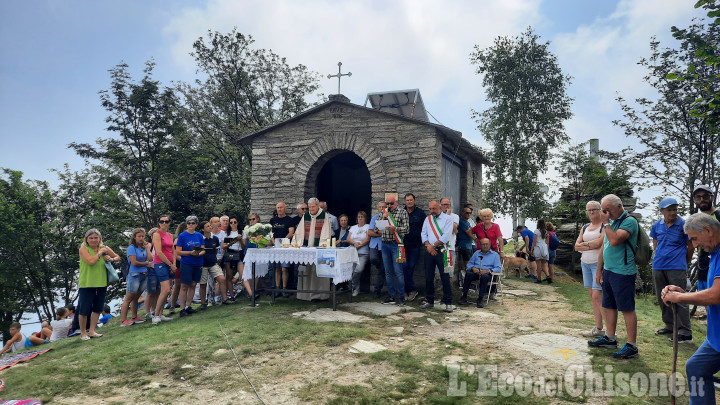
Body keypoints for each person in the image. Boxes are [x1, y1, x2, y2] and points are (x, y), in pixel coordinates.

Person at [662, 213, 720, 404]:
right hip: (716, 337)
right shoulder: (714, 254)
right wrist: (682, 292)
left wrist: (679, 297)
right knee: (696, 368)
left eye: (695, 238)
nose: (694, 245)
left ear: (708, 230)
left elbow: (715, 295)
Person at [588, 194, 640, 359]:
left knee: (626, 307)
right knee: (608, 305)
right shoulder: (611, 223)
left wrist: (605, 223)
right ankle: (610, 337)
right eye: (604, 210)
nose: (605, 213)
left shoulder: (629, 222)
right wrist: (599, 270)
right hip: (609, 271)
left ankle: (632, 345)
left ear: (619, 207)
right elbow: (605, 246)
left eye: (608, 210)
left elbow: (616, 240)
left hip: (623, 272)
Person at [650, 197, 694, 342]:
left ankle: (685, 332)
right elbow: (656, 245)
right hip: (658, 266)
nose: (673, 212)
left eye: (675, 209)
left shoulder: (684, 225)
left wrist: (684, 262)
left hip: (676, 266)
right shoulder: (657, 226)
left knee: (680, 299)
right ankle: (670, 326)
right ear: (662, 211)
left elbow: (691, 246)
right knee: (663, 298)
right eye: (669, 210)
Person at [77, 228, 119, 341]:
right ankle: (83, 333)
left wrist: (111, 259)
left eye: (96, 238)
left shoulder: (104, 248)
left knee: (97, 308)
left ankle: (92, 331)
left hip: (101, 282)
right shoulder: (83, 249)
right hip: (87, 283)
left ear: (100, 238)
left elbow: (117, 257)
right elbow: (91, 261)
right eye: (91, 238)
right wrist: (100, 253)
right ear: (86, 239)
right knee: (84, 309)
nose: (94, 240)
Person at [574, 201, 606, 338]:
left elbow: (600, 243)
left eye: (594, 209)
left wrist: (584, 245)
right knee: (593, 298)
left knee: (598, 296)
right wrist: (590, 245)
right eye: (589, 210)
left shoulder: (604, 225)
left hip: (597, 263)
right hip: (585, 263)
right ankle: (599, 327)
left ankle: (610, 330)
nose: (591, 212)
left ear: (600, 210)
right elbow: (576, 246)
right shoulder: (585, 226)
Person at [292, 197, 332, 301]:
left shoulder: (324, 215)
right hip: (306, 248)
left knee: (317, 271)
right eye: (309, 207)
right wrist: (298, 242)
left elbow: (326, 231)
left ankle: (320, 295)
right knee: (305, 271)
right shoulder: (306, 215)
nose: (311, 209)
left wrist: (323, 243)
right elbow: (299, 231)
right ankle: (304, 294)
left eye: (313, 207)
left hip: (318, 249)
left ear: (318, 206)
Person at [420, 200, 454, 312]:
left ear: (439, 207)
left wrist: (433, 246)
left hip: (442, 251)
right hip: (429, 251)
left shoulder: (448, 219)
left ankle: (448, 302)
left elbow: (447, 235)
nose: (432, 211)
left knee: (445, 277)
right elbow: (423, 233)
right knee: (429, 277)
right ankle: (430, 300)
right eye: (430, 209)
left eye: (434, 208)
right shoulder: (428, 219)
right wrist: (428, 246)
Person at [380, 193, 410, 306]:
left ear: (396, 203)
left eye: (391, 203)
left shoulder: (402, 212)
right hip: (385, 244)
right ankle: (391, 296)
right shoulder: (384, 212)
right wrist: (384, 217)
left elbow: (407, 229)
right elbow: (378, 227)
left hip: (396, 245)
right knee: (388, 272)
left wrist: (395, 228)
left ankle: (402, 297)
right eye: (387, 203)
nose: (389, 205)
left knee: (398, 271)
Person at [120, 228, 153, 326]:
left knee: (136, 297)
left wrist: (147, 247)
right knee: (129, 298)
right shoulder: (131, 248)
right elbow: (134, 262)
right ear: (134, 237)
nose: (141, 238)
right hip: (134, 275)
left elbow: (151, 258)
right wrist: (145, 263)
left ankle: (134, 317)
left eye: (143, 236)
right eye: (139, 236)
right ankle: (124, 320)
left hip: (143, 274)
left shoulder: (143, 247)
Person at [175, 216, 205, 317]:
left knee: (193, 284)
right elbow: (178, 251)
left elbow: (203, 249)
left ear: (196, 224)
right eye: (188, 223)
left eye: (192, 223)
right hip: (187, 263)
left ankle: (188, 306)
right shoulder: (182, 236)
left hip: (198, 262)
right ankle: (182, 308)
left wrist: (199, 254)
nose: (190, 225)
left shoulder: (199, 235)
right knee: (184, 286)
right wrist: (190, 253)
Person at [458, 238, 502, 308]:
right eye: (483, 244)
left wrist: (488, 271)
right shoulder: (476, 253)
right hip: (476, 272)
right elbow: (469, 264)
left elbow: (498, 268)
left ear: (490, 245)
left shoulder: (495, 255)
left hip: (487, 273)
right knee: (468, 274)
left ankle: (480, 299)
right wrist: (473, 268)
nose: (485, 246)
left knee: (484, 277)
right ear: (480, 245)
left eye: (487, 244)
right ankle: (464, 297)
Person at [693, 185, 720, 294]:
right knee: (706, 304)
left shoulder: (718, 216)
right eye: (698, 197)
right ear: (694, 200)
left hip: (717, 267)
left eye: (705, 196)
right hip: (702, 268)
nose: (702, 200)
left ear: (712, 197)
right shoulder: (696, 220)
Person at [199, 221, 230, 309]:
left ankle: (224, 299)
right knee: (203, 283)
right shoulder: (200, 238)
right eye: (207, 226)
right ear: (202, 229)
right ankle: (203, 302)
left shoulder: (215, 238)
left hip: (213, 262)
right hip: (203, 264)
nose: (210, 227)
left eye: (210, 226)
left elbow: (216, 251)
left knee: (222, 279)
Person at [152, 215, 175, 324]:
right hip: (161, 263)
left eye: (166, 221)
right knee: (165, 289)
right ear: (159, 223)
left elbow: (173, 250)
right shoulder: (156, 235)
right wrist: (170, 264)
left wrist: (174, 263)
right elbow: (159, 252)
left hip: (170, 263)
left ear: (169, 223)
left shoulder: (170, 235)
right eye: (162, 221)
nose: (164, 223)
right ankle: (155, 315)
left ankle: (160, 314)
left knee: (166, 290)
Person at [402, 193, 426, 302]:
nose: (409, 202)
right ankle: (411, 290)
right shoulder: (401, 212)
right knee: (404, 267)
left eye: (411, 200)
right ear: (405, 202)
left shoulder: (420, 213)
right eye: (407, 200)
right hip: (403, 245)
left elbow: (426, 228)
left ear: (414, 201)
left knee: (410, 267)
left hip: (415, 245)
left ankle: (408, 291)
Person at [270, 202, 296, 296]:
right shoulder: (272, 220)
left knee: (284, 268)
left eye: (281, 207)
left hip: (285, 247)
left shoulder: (289, 220)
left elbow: (291, 232)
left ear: (285, 208)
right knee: (277, 268)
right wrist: (273, 242)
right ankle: (277, 288)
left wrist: (282, 242)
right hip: (275, 247)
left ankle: (284, 288)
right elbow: (270, 233)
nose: (279, 209)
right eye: (278, 207)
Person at [348, 211, 371, 296]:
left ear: (365, 218)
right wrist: (354, 243)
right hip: (353, 251)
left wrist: (360, 244)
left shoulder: (367, 227)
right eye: (359, 217)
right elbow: (348, 238)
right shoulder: (353, 227)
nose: (360, 218)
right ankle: (355, 289)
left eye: (362, 217)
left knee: (358, 270)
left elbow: (368, 238)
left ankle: (352, 285)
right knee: (352, 270)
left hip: (363, 253)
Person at [223, 216, 244, 301]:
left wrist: (240, 239)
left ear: (237, 223)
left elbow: (243, 246)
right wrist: (232, 242)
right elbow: (224, 246)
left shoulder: (242, 232)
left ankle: (249, 293)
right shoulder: (226, 233)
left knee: (242, 275)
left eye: (234, 222)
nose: (233, 224)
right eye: (231, 222)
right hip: (230, 252)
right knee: (229, 275)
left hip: (239, 253)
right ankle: (231, 296)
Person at [368, 201, 386, 299]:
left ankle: (377, 291)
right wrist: (381, 233)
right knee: (373, 259)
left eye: (384, 207)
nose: (382, 209)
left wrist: (377, 232)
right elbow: (370, 233)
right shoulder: (374, 218)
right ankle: (381, 267)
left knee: (382, 270)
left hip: (384, 246)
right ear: (378, 208)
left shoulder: (389, 219)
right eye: (380, 207)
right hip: (374, 245)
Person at [168, 221, 186, 314]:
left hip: (188, 264)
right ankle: (172, 305)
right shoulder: (178, 240)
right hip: (180, 264)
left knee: (186, 284)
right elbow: (175, 254)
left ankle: (185, 304)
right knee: (177, 285)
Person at [457, 207, 474, 288]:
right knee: (467, 265)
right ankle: (467, 283)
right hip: (464, 246)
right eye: (467, 213)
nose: (468, 214)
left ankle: (469, 282)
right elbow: (469, 232)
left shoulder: (467, 222)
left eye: (470, 213)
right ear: (462, 213)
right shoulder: (462, 221)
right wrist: (476, 239)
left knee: (469, 265)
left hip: (469, 245)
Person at [531, 219, 551, 283]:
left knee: (538, 265)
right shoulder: (546, 232)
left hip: (538, 248)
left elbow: (535, 241)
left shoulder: (536, 231)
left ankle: (539, 279)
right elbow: (547, 242)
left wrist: (532, 249)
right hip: (544, 248)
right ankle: (548, 276)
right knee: (543, 264)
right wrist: (546, 249)